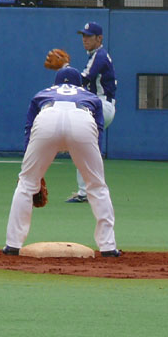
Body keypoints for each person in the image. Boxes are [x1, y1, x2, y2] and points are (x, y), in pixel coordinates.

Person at [3, 66, 120, 257]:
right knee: (97, 186)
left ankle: (12, 245)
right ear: (79, 85)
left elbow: (28, 129)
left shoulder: (42, 94)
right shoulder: (91, 96)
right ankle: (108, 247)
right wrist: (93, 163)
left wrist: (31, 169)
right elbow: (98, 132)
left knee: (26, 184)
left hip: (47, 119)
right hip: (82, 121)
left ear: (55, 84)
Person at [66, 22, 117, 203]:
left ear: (99, 38)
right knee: (83, 144)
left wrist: (64, 69)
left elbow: (83, 79)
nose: (84, 39)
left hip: (101, 106)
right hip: (98, 105)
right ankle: (86, 192)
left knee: (84, 144)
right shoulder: (96, 56)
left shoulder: (100, 56)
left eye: (88, 36)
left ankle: (91, 191)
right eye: (83, 36)